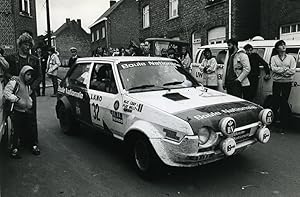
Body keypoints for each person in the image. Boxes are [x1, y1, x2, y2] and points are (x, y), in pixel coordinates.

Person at [5, 32, 41, 154]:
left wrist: (32, 88)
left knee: (31, 118)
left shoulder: (34, 60)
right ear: (20, 44)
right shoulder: (11, 58)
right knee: (17, 119)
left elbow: (39, 76)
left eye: (29, 44)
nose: (28, 47)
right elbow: (6, 72)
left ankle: (34, 143)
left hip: (30, 94)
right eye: (25, 44)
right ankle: (17, 143)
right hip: (17, 94)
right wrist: (13, 79)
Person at [4, 66, 40, 158]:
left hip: (26, 110)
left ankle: (32, 145)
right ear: (23, 74)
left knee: (30, 128)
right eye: (28, 75)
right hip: (17, 111)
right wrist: (16, 99)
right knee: (16, 131)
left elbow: (27, 96)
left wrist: (30, 103)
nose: (29, 77)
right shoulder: (15, 82)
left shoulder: (27, 85)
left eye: (31, 75)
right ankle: (14, 150)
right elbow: (6, 93)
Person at [270, 40, 296, 127]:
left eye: (284, 45)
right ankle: (273, 121)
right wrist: (285, 69)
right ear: (277, 48)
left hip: (287, 83)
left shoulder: (291, 58)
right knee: (275, 100)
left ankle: (283, 122)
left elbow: (293, 70)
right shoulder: (274, 58)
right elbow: (273, 68)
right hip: (277, 82)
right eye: (281, 45)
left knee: (284, 101)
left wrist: (280, 71)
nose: (284, 46)